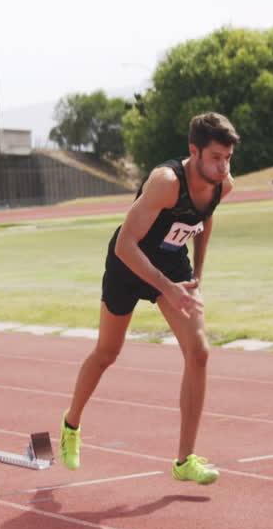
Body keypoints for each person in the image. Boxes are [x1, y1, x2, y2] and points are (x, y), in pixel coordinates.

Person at [59, 112, 239, 485]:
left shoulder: (223, 185)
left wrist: (196, 277)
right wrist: (167, 289)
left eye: (228, 158)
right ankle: (71, 423)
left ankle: (184, 460)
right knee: (108, 352)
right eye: (216, 158)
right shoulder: (166, 182)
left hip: (172, 264)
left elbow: (204, 220)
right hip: (129, 263)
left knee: (199, 351)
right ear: (195, 151)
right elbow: (125, 244)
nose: (223, 167)